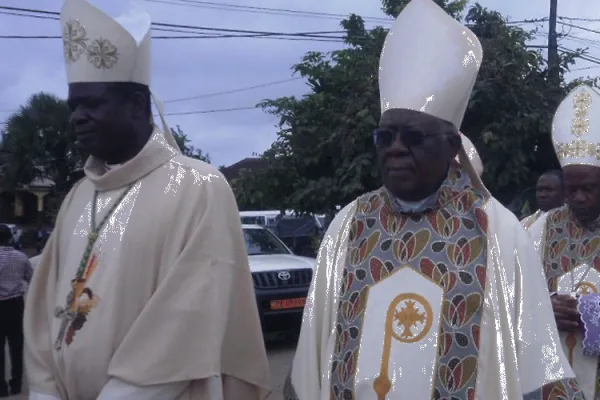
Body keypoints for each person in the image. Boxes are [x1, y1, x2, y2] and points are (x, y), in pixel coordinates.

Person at [284, 0, 581, 398]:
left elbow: (536, 363)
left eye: (414, 137)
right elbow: (313, 353)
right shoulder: (350, 224)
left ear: (452, 145)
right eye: (384, 137)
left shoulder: (497, 230)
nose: (396, 149)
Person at [24, 1, 270, 399]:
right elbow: (43, 313)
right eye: (74, 106)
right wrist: (45, 391)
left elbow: (183, 322)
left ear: (138, 105)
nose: (77, 117)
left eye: (92, 103)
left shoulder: (199, 187)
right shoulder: (78, 196)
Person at [528, 84, 600, 399]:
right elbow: (514, 298)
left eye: (590, 188)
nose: (579, 198)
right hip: (550, 377)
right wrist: (545, 307)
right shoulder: (540, 228)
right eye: (572, 189)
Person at [0, 224, 32, 397]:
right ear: (10, 238)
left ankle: (1, 388)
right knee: (16, 346)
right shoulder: (21, 257)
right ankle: (16, 385)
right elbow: (30, 278)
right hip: (15, 304)